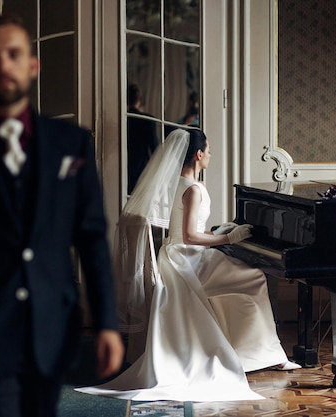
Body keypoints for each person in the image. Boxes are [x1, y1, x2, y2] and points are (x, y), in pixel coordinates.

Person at [0, 13, 124, 417]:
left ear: (33, 65)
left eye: (13, 54)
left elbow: (92, 241)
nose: (3, 65)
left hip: (52, 327)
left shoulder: (72, 143)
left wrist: (107, 324)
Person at [76, 128, 299, 402]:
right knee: (254, 277)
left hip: (177, 255)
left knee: (243, 278)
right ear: (198, 154)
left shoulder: (176, 184)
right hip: (189, 261)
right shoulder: (193, 189)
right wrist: (229, 236)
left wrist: (224, 233)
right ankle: (260, 354)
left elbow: (187, 231)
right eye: (209, 151)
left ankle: (251, 351)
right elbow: (192, 236)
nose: (210, 156)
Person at [127, 84, 159, 194]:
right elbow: (154, 148)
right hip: (142, 167)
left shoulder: (123, 119)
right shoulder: (147, 120)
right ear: (140, 99)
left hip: (123, 165)